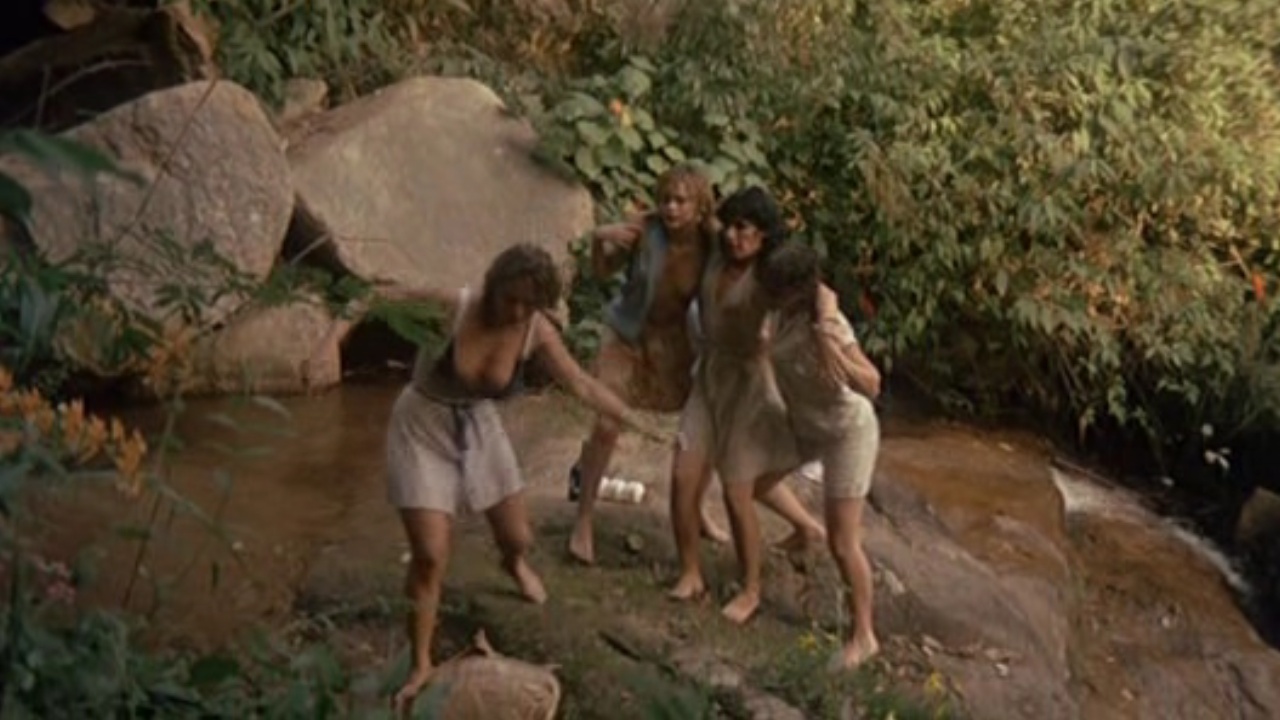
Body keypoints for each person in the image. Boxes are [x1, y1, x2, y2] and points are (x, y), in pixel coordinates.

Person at [309, 244, 660, 712]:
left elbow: (580, 383)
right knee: (430, 553)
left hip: (477, 424)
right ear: (494, 285)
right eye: (509, 299)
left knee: (518, 537)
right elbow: (375, 294)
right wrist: (330, 343)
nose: (515, 312)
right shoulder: (454, 305)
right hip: (422, 425)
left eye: (527, 304)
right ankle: (420, 662)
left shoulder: (535, 329)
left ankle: (512, 563)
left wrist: (635, 421)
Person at [668, 186, 834, 623]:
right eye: (730, 226)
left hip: (748, 385)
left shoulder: (768, 272)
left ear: (763, 234)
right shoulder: (717, 250)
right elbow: (687, 214)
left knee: (738, 487)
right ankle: (690, 572)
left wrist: (828, 331)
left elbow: (815, 290)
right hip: (709, 376)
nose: (733, 236)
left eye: (744, 228)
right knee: (683, 475)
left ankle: (752, 589)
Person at [566, 164, 729, 565]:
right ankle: (583, 518)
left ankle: (698, 508)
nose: (671, 208)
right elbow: (601, 272)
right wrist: (600, 240)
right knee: (606, 423)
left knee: (704, 426)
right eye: (666, 200)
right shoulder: (644, 231)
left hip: (675, 345)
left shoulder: (713, 241)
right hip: (627, 336)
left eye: (681, 201)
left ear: (699, 206)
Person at [758, 241, 883, 669]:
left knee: (843, 543)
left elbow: (872, 383)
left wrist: (831, 345)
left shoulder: (831, 325)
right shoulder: (780, 312)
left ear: (795, 290)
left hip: (847, 430)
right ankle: (804, 529)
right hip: (805, 424)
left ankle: (864, 635)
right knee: (753, 479)